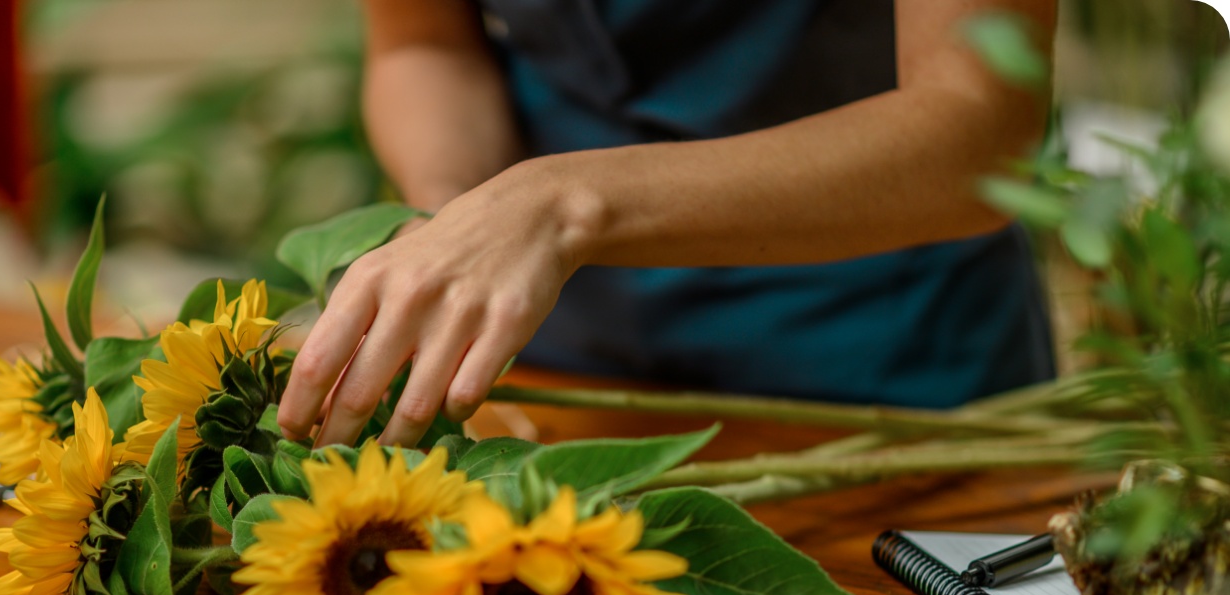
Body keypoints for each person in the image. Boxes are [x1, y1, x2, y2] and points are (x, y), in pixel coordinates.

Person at [278, 0, 1057, 449]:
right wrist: (452, 217)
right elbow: (425, 43)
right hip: (548, 369)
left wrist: (561, 205)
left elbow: (978, 130)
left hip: (887, 378)